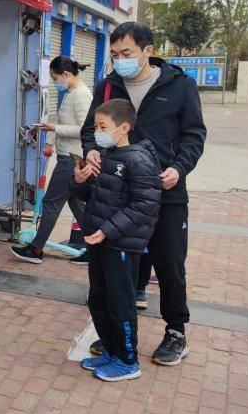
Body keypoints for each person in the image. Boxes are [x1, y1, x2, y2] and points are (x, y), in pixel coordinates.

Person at [81, 22, 206, 366]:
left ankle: (176, 332)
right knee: (116, 270)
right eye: (115, 54)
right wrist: (91, 150)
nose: (120, 60)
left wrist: (179, 168)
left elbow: (194, 136)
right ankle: (114, 339)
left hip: (165, 193)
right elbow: (90, 131)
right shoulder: (107, 87)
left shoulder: (178, 86)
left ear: (148, 50)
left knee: (169, 264)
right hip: (118, 196)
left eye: (127, 53)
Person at [71, 99, 162, 382]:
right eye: (96, 126)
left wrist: (108, 230)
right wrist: (80, 179)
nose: (96, 132)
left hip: (120, 244)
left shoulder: (138, 160)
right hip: (99, 242)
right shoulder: (107, 155)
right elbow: (91, 196)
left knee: (121, 303)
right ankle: (110, 350)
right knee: (99, 299)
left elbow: (144, 206)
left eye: (102, 127)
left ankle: (127, 359)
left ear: (123, 128)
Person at [11, 55, 92, 265]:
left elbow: (85, 129)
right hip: (70, 157)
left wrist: (53, 128)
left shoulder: (81, 95)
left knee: (51, 203)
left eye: (55, 78)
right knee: (77, 206)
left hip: (72, 159)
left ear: (66, 75)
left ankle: (36, 249)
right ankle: (95, 248)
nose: (55, 82)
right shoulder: (72, 92)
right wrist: (52, 138)